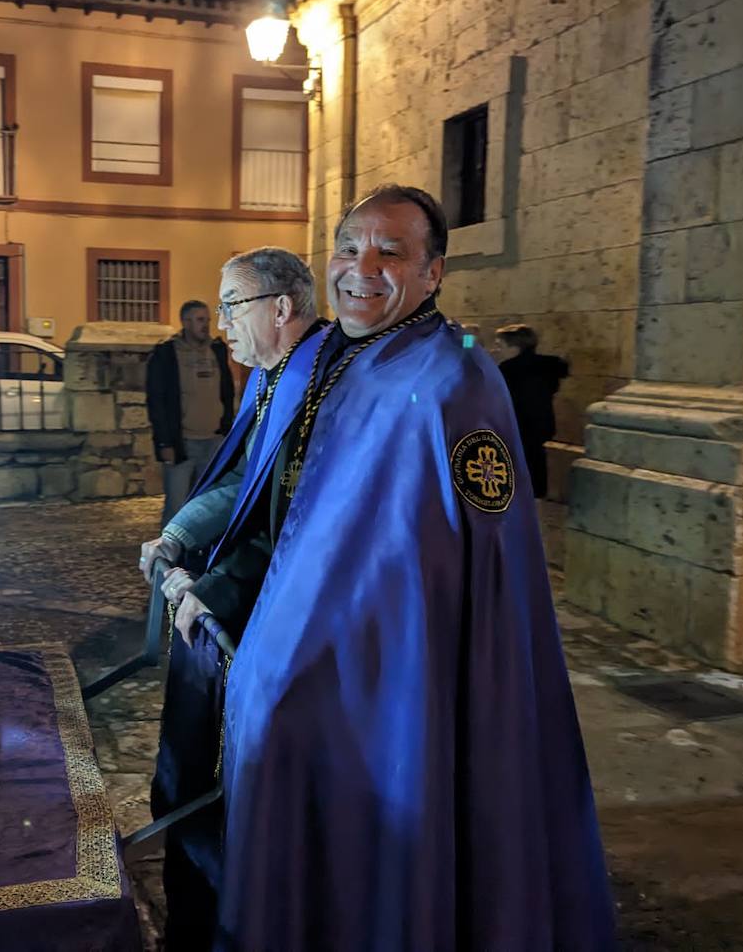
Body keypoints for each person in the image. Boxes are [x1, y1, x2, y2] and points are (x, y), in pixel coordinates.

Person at [173, 185, 613, 950]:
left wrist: (340, 652)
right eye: (348, 247)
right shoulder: (348, 361)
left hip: (401, 667)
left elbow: (460, 563)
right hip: (317, 649)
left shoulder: (453, 383)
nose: (360, 268)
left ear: (434, 271)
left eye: (390, 252)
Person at [138, 248, 326, 952]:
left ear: (280, 309)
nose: (221, 324)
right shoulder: (273, 378)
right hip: (235, 602)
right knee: (186, 758)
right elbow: (241, 483)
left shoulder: (317, 388)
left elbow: (287, 531)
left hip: (288, 622)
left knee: (247, 783)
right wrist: (178, 536)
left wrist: (208, 593)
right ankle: (192, 890)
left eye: (231, 305)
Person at [146, 300, 235, 526]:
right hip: (182, 444)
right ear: (185, 322)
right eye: (200, 320)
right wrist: (164, 443)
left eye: (208, 319)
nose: (206, 325)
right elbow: (157, 401)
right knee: (176, 508)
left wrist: (227, 429)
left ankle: (200, 559)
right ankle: (168, 558)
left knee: (209, 505)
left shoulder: (216, 349)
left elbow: (227, 390)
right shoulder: (166, 353)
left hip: (214, 442)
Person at [495, 322, 569, 499]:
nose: (497, 350)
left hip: (517, 426)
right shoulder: (549, 365)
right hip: (541, 424)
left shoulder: (508, 370)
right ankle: (536, 496)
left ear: (514, 347)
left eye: (500, 345)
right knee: (535, 462)